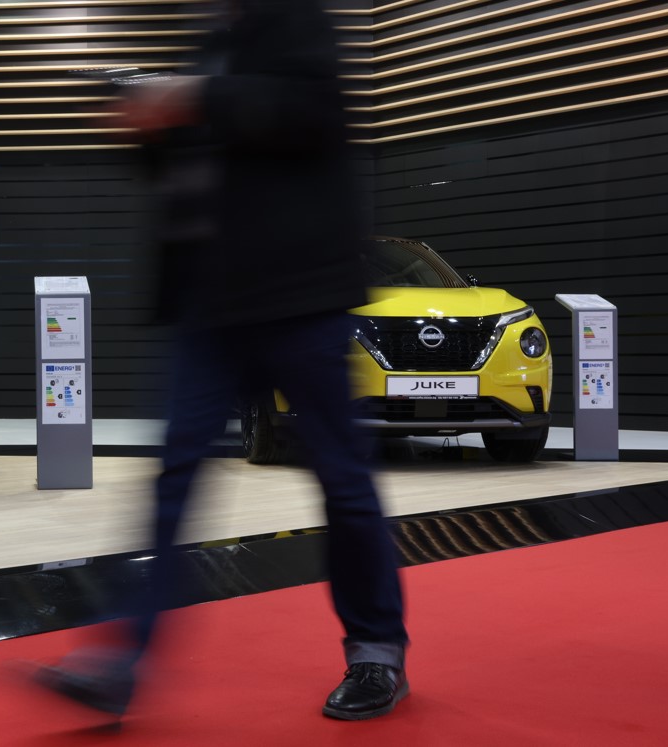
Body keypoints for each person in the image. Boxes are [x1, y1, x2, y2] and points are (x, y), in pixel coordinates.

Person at [34, 0, 410, 722]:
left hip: (299, 295)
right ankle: (120, 664)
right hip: (208, 305)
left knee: (342, 480)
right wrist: (146, 128)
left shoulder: (296, 19)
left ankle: (376, 652)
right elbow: (190, 169)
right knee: (173, 478)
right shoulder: (210, 43)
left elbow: (306, 112)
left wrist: (190, 96)